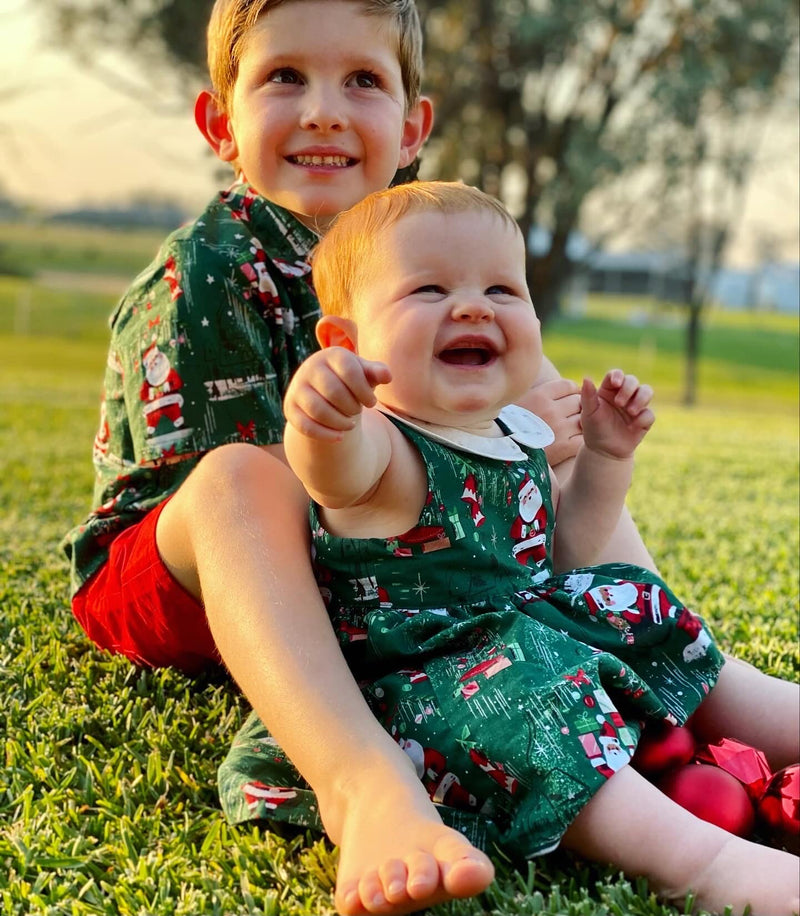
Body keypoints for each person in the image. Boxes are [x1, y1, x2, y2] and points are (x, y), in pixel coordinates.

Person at [58, 0, 696, 913]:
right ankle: (361, 787)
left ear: (412, 127)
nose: (323, 110)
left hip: (381, 563)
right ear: (220, 124)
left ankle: (671, 662)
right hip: (187, 574)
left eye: (362, 80)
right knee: (254, 474)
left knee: (511, 376)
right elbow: (254, 519)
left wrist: (544, 440)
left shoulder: (429, 253)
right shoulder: (207, 268)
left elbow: (499, 437)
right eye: (285, 77)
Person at [219, 181, 800, 916]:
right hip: (437, 681)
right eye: (428, 289)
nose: (472, 306)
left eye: (502, 287)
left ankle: (776, 722)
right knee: (535, 701)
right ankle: (704, 861)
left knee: (632, 601)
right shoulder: (385, 448)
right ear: (348, 343)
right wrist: (324, 415)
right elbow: (333, 472)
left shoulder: (512, 433)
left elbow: (568, 550)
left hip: (527, 632)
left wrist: (607, 461)